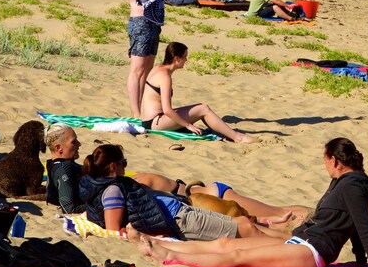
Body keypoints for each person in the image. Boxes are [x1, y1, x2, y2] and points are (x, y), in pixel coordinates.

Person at [135, 137, 368, 267]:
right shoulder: (343, 182)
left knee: (237, 258)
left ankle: (167, 257)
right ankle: (165, 246)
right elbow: (354, 226)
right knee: (226, 243)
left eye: (325, 161)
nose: (325, 166)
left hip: (312, 252)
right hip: (301, 241)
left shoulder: (351, 188)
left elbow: (364, 226)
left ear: (335, 160)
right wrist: (360, 261)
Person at [46, 127, 305, 220]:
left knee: (279, 212)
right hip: (204, 193)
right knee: (274, 212)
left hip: (208, 195)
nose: (79, 145)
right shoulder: (127, 183)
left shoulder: (134, 184)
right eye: (74, 143)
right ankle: (313, 215)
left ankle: (315, 214)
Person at [79, 144, 283, 239]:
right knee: (248, 227)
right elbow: (114, 230)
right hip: (179, 217)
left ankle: (290, 237)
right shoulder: (113, 189)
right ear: (113, 167)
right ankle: (291, 243)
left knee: (246, 223)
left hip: (182, 208)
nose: (126, 166)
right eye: (124, 163)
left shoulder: (107, 184)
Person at [142, 42, 257, 143]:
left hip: (149, 120)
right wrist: (188, 125)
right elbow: (167, 110)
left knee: (200, 109)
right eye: (185, 57)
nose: (186, 60)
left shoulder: (158, 68)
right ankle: (237, 138)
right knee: (203, 109)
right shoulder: (165, 76)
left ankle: (225, 132)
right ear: (176, 58)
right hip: (155, 123)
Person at [123, 0, 174, 120]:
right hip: (140, 22)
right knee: (137, 70)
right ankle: (135, 113)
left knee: (148, 68)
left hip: (153, 22)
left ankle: (143, 110)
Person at [45, 124, 84, 213]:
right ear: (59, 148)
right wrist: (99, 205)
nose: (79, 144)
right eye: (74, 142)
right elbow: (69, 209)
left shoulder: (53, 164)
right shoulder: (64, 169)